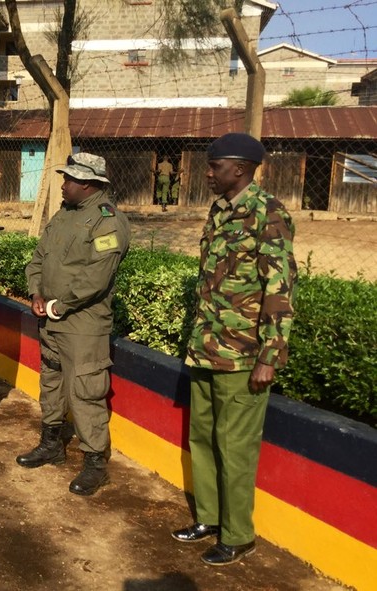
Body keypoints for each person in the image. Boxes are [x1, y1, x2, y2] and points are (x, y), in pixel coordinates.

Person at [172, 132, 297, 565]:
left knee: (236, 446)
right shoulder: (220, 210)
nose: (207, 173)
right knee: (202, 437)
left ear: (239, 169)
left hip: (243, 354)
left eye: (214, 166)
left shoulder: (268, 213)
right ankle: (208, 516)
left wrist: (270, 355)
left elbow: (279, 290)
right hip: (207, 347)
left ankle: (239, 534)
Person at [17, 152, 131, 496]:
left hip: (82, 323)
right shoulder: (63, 214)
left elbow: (97, 276)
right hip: (50, 319)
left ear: (88, 184)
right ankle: (51, 444)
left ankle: (95, 462)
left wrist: (59, 305)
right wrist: (36, 293)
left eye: (69, 179)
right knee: (51, 380)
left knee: (85, 391)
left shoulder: (107, 221)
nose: (63, 184)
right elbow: (39, 259)